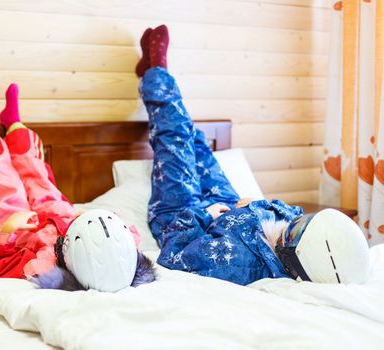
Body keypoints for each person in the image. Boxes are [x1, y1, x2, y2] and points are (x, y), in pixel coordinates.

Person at [137, 25, 370, 285]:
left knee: (176, 138)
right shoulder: (300, 236)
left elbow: (173, 255)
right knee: (198, 142)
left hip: (181, 214)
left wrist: (205, 215)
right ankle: (151, 75)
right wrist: (257, 204)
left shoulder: (237, 265)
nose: (295, 223)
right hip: (228, 202)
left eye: (295, 229)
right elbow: (292, 212)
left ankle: (156, 68)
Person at [0, 84, 155, 291]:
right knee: (39, 180)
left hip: (24, 227)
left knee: (7, 189)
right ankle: (12, 122)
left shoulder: (45, 265)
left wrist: (9, 228)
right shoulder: (121, 250)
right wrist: (91, 218)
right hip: (64, 216)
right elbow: (125, 232)